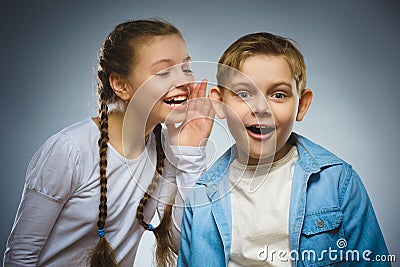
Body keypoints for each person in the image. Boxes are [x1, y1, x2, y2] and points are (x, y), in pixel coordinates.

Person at [3, 19, 213, 267]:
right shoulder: (70, 150)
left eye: (186, 68)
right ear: (121, 85)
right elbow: (20, 255)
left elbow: (182, 243)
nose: (183, 81)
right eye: (163, 71)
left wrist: (189, 154)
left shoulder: (164, 149)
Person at [177, 32, 390, 266]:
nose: (260, 108)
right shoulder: (201, 196)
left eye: (278, 95)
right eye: (244, 94)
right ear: (219, 103)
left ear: (302, 104)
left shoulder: (338, 182)